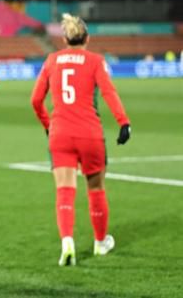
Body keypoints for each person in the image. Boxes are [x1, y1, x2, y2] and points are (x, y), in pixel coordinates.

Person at [31, 13, 131, 267]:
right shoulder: (96, 61)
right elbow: (108, 91)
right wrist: (123, 122)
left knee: (65, 191)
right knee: (95, 189)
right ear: (88, 38)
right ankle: (100, 243)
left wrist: (48, 124)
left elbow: (35, 100)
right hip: (90, 134)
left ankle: (67, 243)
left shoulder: (52, 60)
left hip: (60, 133)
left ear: (65, 39)